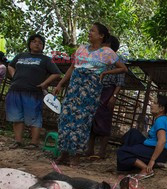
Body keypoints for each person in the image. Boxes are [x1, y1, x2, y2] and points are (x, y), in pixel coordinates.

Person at [53, 23, 127, 165]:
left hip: (90, 92)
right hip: (74, 90)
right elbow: (71, 68)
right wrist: (60, 84)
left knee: (82, 122)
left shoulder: (107, 52)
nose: (89, 33)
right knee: (66, 119)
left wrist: (106, 72)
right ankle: (64, 153)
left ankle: (76, 156)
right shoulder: (81, 49)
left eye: (93, 31)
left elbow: (123, 69)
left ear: (101, 35)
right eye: (89, 30)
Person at [5, 35, 62, 149]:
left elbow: (56, 73)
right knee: (16, 117)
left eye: (40, 43)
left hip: (33, 92)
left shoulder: (45, 59)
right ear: (30, 44)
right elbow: (10, 66)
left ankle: (34, 143)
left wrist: (45, 83)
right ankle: (18, 141)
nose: (37, 44)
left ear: (42, 46)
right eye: (34, 41)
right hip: (15, 90)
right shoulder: (20, 56)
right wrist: (14, 75)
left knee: (34, 117)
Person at [86, 35, 125, 159]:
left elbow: (120, 81)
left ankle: (101, 152)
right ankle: (89, 150)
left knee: (104, 120)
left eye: (105, 44)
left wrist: (114, 96)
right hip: (96, 89)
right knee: (92, 119)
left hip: (108, 90)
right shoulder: (98, 58)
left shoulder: (118, 60)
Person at [117, 94, 167, 179]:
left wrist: (152, 160)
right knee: (133, 133)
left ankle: (146, 169)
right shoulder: (161, 118)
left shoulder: (161, 120)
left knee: (122, 151)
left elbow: (162, 141)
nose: (151, 104)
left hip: (160, 153)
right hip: (155, 148)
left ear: (161, 108)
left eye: (154, 103)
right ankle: (131, 160)